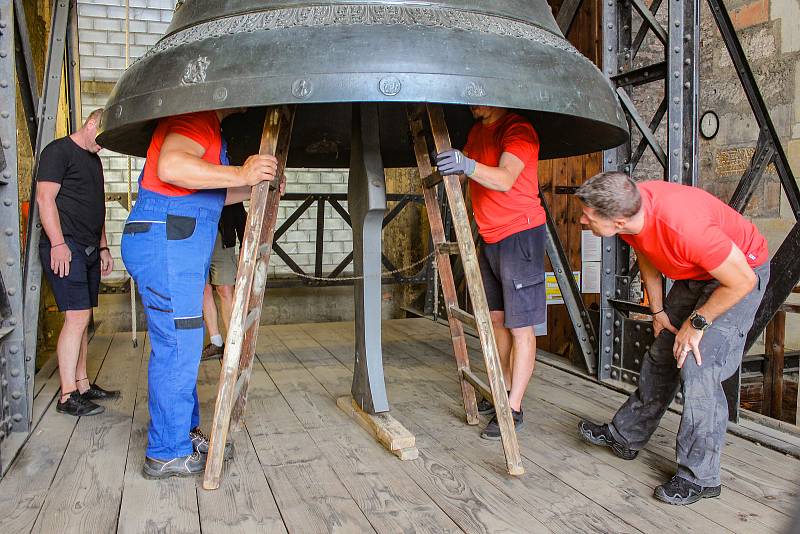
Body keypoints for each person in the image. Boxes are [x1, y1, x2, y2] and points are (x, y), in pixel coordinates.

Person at [575, 172, 769, 506]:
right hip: (699, 273)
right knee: (662, 353)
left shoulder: (684, 228)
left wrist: (697, 323)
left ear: (617, 220)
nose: (582, 218)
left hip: (738, 277)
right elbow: (646, 251)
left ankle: (700, 476)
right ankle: (627, 435)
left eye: (589, 216)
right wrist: (658, 310)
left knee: (698, 366)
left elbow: (742, 282)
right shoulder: (634, 214)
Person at [121, 109, 278, 479]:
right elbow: (172, 166)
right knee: (178, 346)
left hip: (171, 237)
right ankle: (165, 453)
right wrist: (243, 172)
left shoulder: (210, 128)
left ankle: (182, 434)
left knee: (184, 344)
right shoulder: (197, 118)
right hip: (166, 239)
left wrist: (256, 185)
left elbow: (206, 193)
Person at [435, 106, 546, 440]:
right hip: (491, 236)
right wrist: (450, 165)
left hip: (520, 233)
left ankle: (513, 408)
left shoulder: (518, 130)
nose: (472, 105)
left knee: (521, 327)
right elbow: (470, 171)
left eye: (478, 98)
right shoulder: (477, 129)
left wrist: (466, 164)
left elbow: (504, 178)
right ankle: (503, 389)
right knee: (497, 321)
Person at [37, 108, 119, 417]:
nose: (103, 147)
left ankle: (82, 385)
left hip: (88, 249)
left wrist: (104, 248)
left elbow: (98, 208)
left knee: (84, 318)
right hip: (65, 245)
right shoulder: (58, 151)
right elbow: (45, 199)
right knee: (76, 317)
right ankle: (67, 395)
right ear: (91, 124)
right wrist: (58, 244)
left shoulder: (94, 160)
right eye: (101, 139)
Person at [201, 202, 246, 361]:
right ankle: (216, 342)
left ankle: (234, 344)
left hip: (222, 238)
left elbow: (238, 209)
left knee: (226, 290)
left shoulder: (227, 178)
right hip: (195, 238)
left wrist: (244, 245)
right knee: (203, 290)